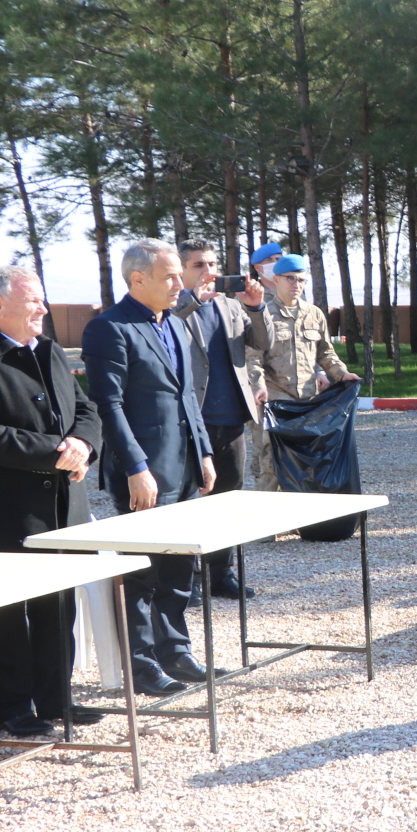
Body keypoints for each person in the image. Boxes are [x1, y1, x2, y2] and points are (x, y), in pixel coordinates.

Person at [82, 238, 218, 696]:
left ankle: (175, 651)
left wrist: (203, 453)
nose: (181, 283)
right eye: (170, 276)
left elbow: (187, 396)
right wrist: (136, 467)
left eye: (180, 274)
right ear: (138, 279)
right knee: (141, 574)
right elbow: (108, 404)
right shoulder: (109, 328)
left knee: (179, 569)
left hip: (183, 467)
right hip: (143, 474)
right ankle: (141, 666)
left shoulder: (174, 323)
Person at [0, 266, 102, 737]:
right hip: (3, 510)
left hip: (63, 507)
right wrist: (57, 454)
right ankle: (11, 707)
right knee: (5, 614)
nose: (44, 309)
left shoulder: (47, 349)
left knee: (58, 607)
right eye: (33, 301)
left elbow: (85, 408)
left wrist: (83, 445)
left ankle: (55, 699)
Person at [174, 239, 264, 597]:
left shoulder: (229, 304)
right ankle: (190, 579)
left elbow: (262, 342)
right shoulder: (174, 304)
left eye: (212, 264)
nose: (208, 271)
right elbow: (166, 325)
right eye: (198, 265)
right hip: (190, 419)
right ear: (181, 270)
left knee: (228, 498)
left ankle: (221, 573)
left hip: (231, 418)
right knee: (189, 500)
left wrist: (256, 307)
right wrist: (193, 299)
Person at [244, 254, 358, 490]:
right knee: (270, 463)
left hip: (307, 402)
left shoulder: (313, 314)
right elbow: (253, 358)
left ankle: (300, 512)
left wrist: (342, 374)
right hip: (274, 401)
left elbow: (325, 353)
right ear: (276, 280)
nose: (296, 285)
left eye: (301, 280)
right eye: (290, 279)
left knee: (306, 463)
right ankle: (266, 513)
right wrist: (258, 386)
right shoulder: (263, 314)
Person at [245, 242, 283, 484]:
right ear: (259, 268)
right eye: (272, 260)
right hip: (264, 391)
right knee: (265, 455)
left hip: (291, 390)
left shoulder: (290, 296)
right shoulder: (249, 300)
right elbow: (249, 352)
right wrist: (257, 385)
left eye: (280, 258)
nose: (277, 263)